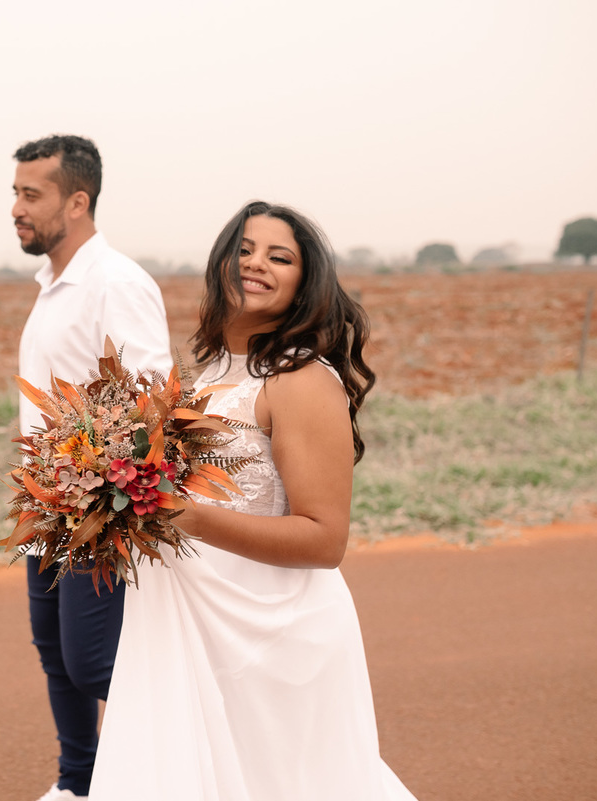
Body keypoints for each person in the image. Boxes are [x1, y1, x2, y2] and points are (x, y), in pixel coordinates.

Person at [89, 201, 417, 800]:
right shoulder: (207, 376)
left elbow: (326, 539)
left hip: (269, 639)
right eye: (243, 249)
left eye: (279, 256)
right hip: (189, 619)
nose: (255, 263)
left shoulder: (301, 381)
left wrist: (180, 516)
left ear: (303, 284)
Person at [11, 134, 172, 801]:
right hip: (45, 501)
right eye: (15, 194)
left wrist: (98, 484)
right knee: (53, 650)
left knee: (93, 662)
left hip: (97, 507)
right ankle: (80, 785)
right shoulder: (53, 286)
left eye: (31, 194)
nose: (16, 209)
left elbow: (153, 398)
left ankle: (178, 766)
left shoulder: (117, 283)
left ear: (77, 201)